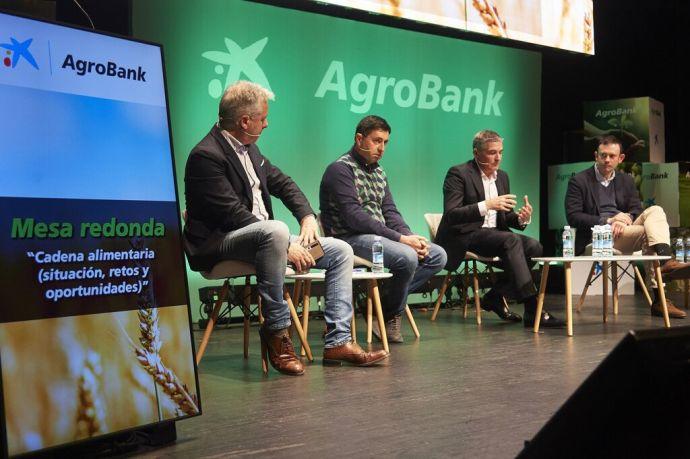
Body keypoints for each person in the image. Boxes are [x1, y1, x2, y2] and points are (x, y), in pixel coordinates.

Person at [183, 81, 388, 375]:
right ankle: (277, 332)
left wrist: (306, 216)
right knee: (275, 231)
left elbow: (283, 183)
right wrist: (287, 245)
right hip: (222, 243)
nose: (266, 124)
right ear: (245, 121)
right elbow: (232, 214)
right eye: (263, 118)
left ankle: (338, 341)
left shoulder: (250, 149)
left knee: (340, 250)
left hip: (266, 240)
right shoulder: (206, 155)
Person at [320, 115, 447, 342]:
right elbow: (354, 218)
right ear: (360, 139)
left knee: (437, 255)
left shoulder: (379, 172)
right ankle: (391, 313)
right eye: (377, 141)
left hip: (378, 239)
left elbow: (390, 212)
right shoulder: (340, 170)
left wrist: (410, 236)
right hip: (349, 239)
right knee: (407, 257)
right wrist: (401, 239)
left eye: (385, 142)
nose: (382, 148)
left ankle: (385, 306)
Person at [436, 129, 564, 328]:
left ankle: (495, 296)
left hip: (494, 235)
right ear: (476, 153)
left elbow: (505, 217)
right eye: (491, 152)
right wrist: (486, 205)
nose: (498, 158)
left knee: (535, 247)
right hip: (464, 234)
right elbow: (451, 214)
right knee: (510, 240)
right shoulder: (458, 173)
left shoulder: (502, 177)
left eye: (501, 152)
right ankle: (532, 309)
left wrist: (522, 219)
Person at [565, 134, 690, 319]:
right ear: (596, 155)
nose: (607, 160)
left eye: (612, 156)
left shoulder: (626, 180)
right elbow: (573, 217)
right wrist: (609, 220)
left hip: (625, 233)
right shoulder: (579, 181)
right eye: (603, 155)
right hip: (598, 238)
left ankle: (664, 264)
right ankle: (660, 296)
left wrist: (626, 220)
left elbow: (636, 210)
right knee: (649, 234)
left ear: (620, 158)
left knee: (655, 210)